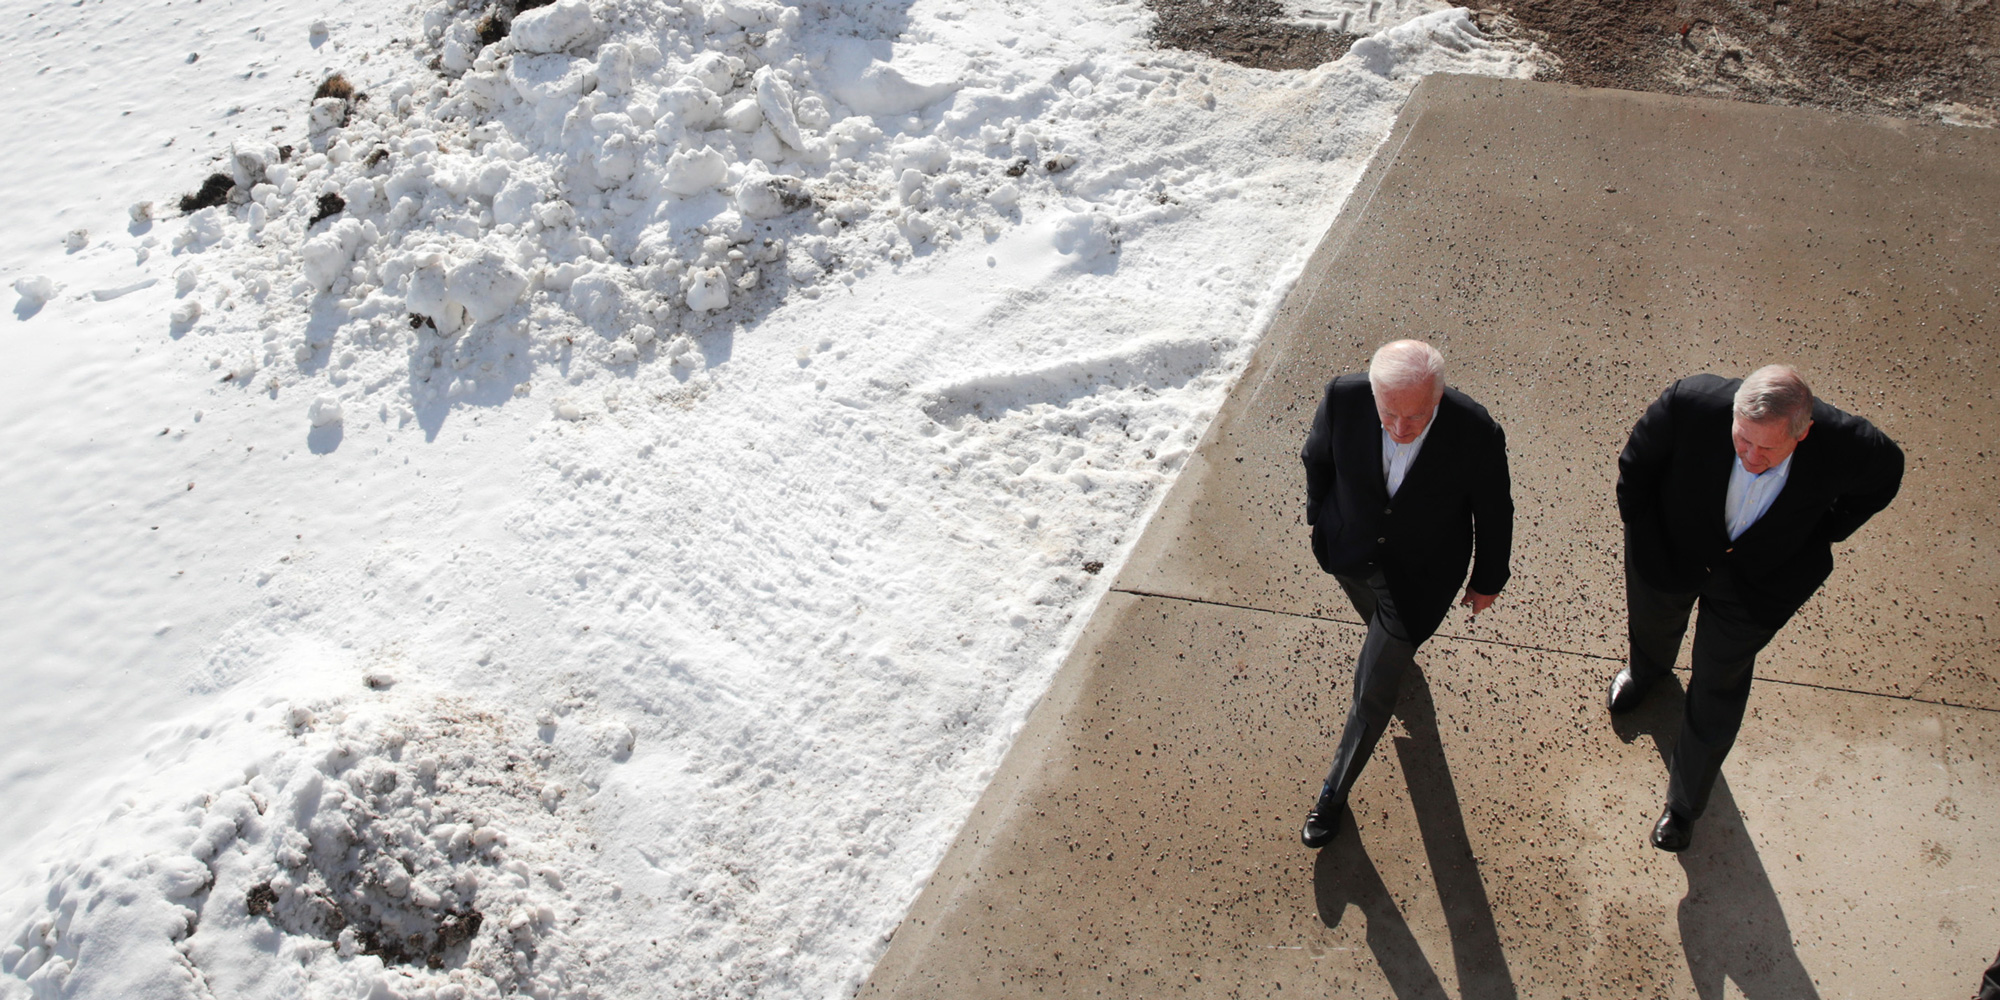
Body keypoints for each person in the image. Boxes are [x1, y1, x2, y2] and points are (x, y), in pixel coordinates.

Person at [1610, 365, 1903, 851]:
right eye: (1742, 440)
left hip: (1759, 582)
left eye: (1766, 449)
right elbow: (1636, 466)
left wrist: (1828, 529)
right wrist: (1643, 531)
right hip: (1670, 556)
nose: (1749, 456)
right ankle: (1646, 673)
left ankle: (1683, 807)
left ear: (1803, 431)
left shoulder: (1847, 444)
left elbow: (1887, 472)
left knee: (1718, 685)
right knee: (1652, 623)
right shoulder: (1691, 402)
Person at [1297, 339, 1514, 848]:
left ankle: (1334, 791)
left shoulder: (1475, 431)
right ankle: (1395, 651)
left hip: (1419, 577)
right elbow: (1316, 459)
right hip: (1350, 555)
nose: (1400, 429)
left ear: (1438, 397)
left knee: (1373, 688)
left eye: (1416, 417)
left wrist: (1487, 580)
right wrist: (1321, 519)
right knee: (1374, 622)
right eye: (1389, 414)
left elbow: (1494, 511)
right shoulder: (1342, 398)